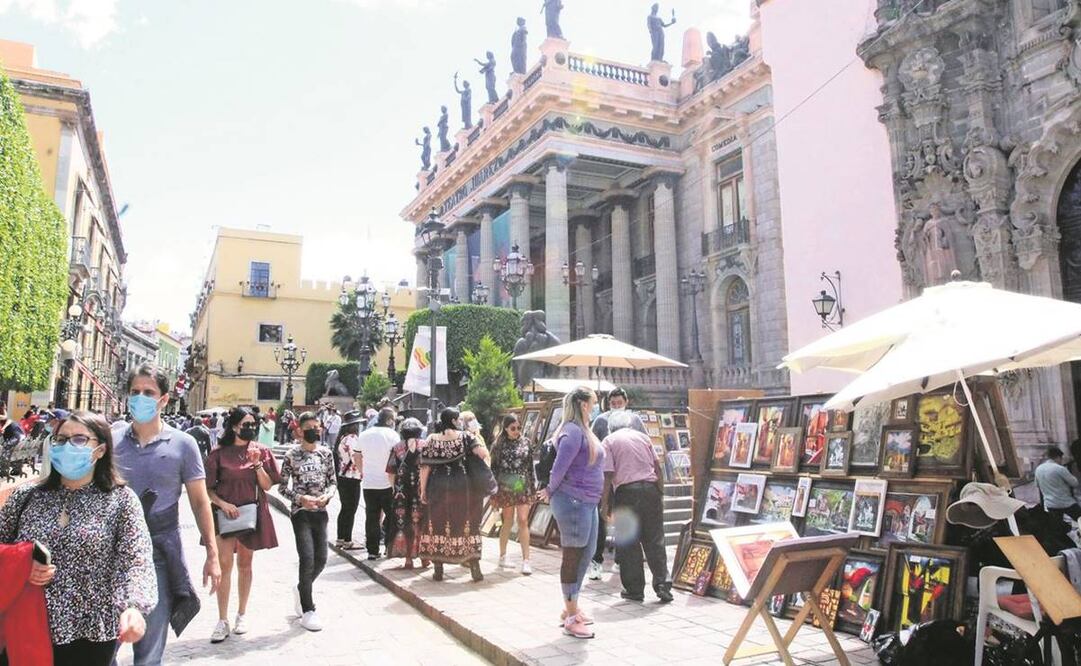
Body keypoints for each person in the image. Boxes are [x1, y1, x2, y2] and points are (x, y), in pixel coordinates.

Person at [0, 410, 156, 666]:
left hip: (90, 634)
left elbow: (136, 559)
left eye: (80, 440)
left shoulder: (121, 501)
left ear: (101, 450)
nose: (67, 446)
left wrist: (133, 606)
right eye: (60, 440)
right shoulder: (26, 497)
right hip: (26, 628)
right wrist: (21, 566)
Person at [112, 363, 220, 666]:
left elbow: (200, 502)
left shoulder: (183, 445)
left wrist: (212, 554)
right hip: (109, 554)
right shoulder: (110, 440)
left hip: (157, 556)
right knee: (102, 649)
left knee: (148, 653)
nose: (140, 398)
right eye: (135, 392)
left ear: (164, 399)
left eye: (149, 392)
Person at [204, 406, 280, 643]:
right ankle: (222, 619)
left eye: (253, 424)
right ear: (234, 426)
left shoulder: (262, 451)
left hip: (250, 514)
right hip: (226, 515)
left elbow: (267, 486)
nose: (250, 428)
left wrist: (257, 465)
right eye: (246, 424)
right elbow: (207, 488)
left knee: (245, 564)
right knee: (225, 565)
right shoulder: (218, 454)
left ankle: (242, 614)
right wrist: (222, 503)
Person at [540, 386, 605, 639]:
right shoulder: (572, 431)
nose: (596, 407)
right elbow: (559, 467)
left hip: (587, 501)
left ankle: (571, 606)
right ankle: (570, 614)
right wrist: (549, 490)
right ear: (583, 405)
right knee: (573, 555)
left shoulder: (583, 430)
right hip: (574, 501)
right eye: (594, 402)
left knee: (586, 553)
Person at [601, 410, 672, 603]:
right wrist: (660, 493)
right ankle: (663, 585)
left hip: (627, 493)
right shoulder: (643, 437)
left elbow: (607, 475)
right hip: (650, 490)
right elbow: (658, 468)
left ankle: (634, 589)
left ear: (611, 426)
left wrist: (604, 503)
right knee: (655, 538)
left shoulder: (608, 441)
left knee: (629, 543)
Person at [278, 411, 336, 632]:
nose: (315, 430)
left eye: (317, 426)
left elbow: (332, 481)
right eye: (310, 427)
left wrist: (328, 496)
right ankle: (308, 608)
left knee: (321, 559)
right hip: (301, 512)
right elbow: (283, 487)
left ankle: (302, 587)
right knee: (307, 557)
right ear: (301, 431)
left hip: (320, 512)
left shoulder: (326, 453)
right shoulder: (292, 455)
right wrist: (301, 499)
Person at [419, 407, 489, 582]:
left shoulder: (431, 439)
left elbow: (425, 467)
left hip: (438, 486)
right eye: (458, 419)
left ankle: (438, 570)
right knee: (467, 522)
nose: (460, 422)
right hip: (462, 486)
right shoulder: (466, 437)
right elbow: (483, 454)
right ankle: (474, 567)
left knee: (437, 523)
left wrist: (422, 490)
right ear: (452, 420)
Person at [588, 387, 646, 580]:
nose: (616, 407)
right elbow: (592, 444)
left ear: (626, 402)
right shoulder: (601, 420)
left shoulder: (634, 420)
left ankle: (620, 560)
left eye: (619, 403)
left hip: (626, 477)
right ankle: (596, 561)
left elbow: (644, 442)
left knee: (623, 518)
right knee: (601, 518)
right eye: (613, 404)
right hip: (604, 476)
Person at [490, 413, 537, 575]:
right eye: (513, 428)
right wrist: (493, 492)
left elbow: (530, 467)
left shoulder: (526, 443)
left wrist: (532, 487)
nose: (516, 431)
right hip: (505, 487)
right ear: (505, 428)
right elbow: (493, 469)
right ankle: (502, 556)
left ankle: (526, 560)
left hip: (522, 485)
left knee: (523, 520)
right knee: (508, 521)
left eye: (519, 428)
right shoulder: (498, 445)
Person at [352, 407, 401, 560]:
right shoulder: (393, 435)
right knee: (391, 516)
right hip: (387, 482)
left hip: (369, 482)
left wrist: (363, 472)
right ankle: (389, 547)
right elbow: (397, 459)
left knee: (371, 517)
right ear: (389, 420)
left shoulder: (364, 435)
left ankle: (372, 550)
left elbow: (357, 456)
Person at [385, 417, 427, 569]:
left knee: (404, 522)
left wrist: (395, 490)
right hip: (421, 490)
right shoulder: (425, 445)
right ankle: (424, 557)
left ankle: (408, 558)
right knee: (422, 522)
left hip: (402, 492)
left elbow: (390, 472)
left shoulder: (397, 448)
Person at [334, 410, 365, 550]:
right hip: (352, 476)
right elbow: (355, 458)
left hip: (342, 476)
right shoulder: (353, 439)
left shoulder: (342, 439)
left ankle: (340, 538)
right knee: (351, 509)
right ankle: (348, 540)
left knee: (344, 508)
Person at [1035, 445, 1081, 520]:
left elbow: (1037, 485)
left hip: (1050, 503)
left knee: (1057, 526)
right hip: (1065, 502)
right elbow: (1074, 483)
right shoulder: (1060, 469)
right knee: (1079, 518)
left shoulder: (1038, 469)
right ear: (1058, 457)